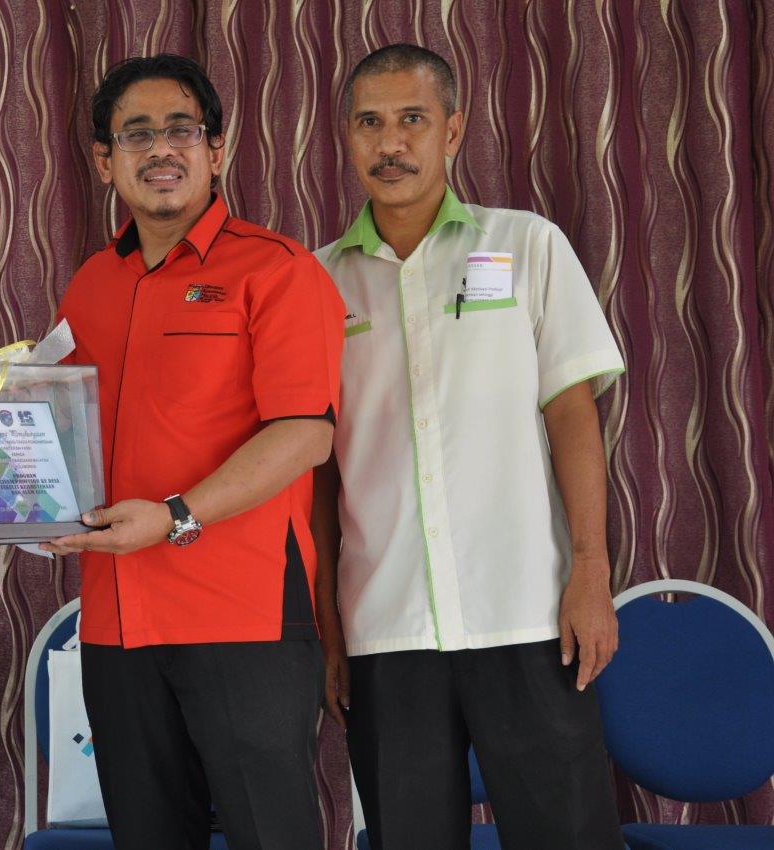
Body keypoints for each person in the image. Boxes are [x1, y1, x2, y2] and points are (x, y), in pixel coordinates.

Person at [312, 44, 626, 849]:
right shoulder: (315, 285)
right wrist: (328, 629)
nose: (390, 143)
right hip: (386, 626)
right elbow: (314, 475)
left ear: (452, 131)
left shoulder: (527, 246)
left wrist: (591, 570)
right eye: (369, 123)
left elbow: (573, 417)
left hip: (529, 612)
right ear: (346, 137)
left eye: (412, 120)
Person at [42, 54, 346, 850]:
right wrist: (27, 503)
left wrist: (177, 514)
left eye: (181, 129)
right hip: (116, 623)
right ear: (104, 161)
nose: (160, 149)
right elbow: (62, 433)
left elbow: (306, 434)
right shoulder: (89, 286)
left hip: (242, 616)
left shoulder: (278, 270)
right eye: (135, 134)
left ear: (216, 149)